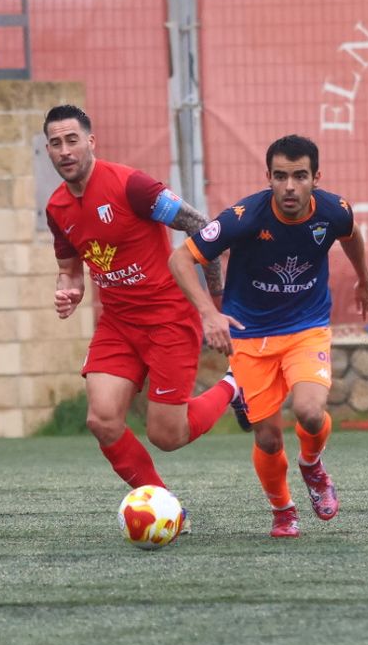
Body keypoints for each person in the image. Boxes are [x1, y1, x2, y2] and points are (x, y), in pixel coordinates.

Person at [169, 134, 368, 539]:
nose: (290, 187)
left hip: (306, 327)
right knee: (267, 435)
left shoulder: (334, 211)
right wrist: (210, 315)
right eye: (280, 176)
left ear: (317, 177)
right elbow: (181, 257)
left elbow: (350, 234)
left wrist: (364, 278)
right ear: (268, 177)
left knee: (310, 412)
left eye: (300, 176)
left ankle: (313, 467)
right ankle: (283, 511)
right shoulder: (244, 217)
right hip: (251, 334)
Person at [42, 104, 241, 506]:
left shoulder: (132, 186)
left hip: (167, 319)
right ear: (48, 150)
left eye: (72, 140)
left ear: (91, 142)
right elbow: (71, 271)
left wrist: (214, 302)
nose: (65, 151)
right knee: (102, 420)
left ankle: (236, 386)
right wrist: (70, 291)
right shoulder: (57, 208)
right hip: (117, 324)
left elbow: (200, 226)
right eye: (55, 143)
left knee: (167, 435)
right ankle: (164, 505)